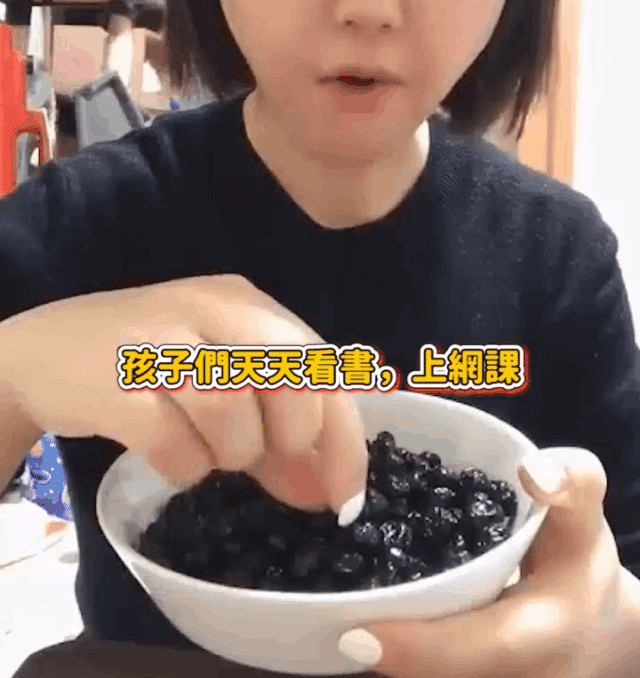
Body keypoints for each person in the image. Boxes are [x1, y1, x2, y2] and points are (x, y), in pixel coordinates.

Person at [1, 0, 640, 676]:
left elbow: (624, 563)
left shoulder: (559, 254)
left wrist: (621, 638)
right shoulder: (75, 221)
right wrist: (13, 377)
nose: (368, 10)